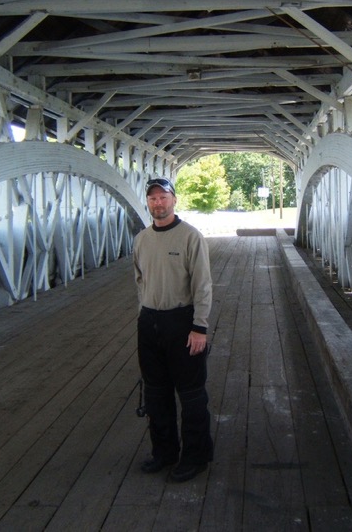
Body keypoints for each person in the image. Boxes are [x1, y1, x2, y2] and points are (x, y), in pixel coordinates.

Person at [133, 177, 214, 482]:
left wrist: (199, 327)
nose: (158, 203)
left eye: (163, 197)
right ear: (148, 202)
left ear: (174, 199)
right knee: (156, 393)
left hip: (184, 323)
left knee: (192, 395)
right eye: (153, 198)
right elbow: (139, 279)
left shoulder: (191, 237)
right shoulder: (141, 239)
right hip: (150, 324)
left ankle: (196, 456)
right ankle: (164, 452)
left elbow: (203, 285)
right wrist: (145, 314)